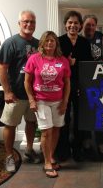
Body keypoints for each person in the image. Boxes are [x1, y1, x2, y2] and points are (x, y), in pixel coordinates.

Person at [0, 10, 40, 172]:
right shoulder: (11, 43)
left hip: (33, 95)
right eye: (26, 21)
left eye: (32, 22)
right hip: (15, 95)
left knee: (31, 123)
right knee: (10, 125)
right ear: (19, 23)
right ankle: (9, 156)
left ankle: (29, 149)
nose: (29, 25)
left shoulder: (38, 44)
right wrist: (7, 91)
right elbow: (1, 68)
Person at [24, 31, 71, 178]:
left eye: (52, 41)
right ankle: (47, 163)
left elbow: (67, 83)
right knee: (46, 132)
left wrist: (65, 101)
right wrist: (31, 99)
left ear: (56, 43)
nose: (50, 43)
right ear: (42, 43)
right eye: (47, 41)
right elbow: (27, 81)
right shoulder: (34, 59)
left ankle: (50, 156)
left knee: (56, 129)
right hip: (41, 101)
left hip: (58, 102)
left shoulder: (62, 60)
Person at [56, 10, 93, 162]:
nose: (73, 25)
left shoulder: (85, 42)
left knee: (79, 118)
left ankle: (77, 149)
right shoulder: (58, 41)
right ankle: (63, 149)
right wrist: (68, 63)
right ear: (65, 25)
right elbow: (54, 63)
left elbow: (88, 65)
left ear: (80, 26)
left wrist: (82, 85)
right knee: (64, 118)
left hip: (79, 86)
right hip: (62, 86)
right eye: (70, 22)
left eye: (76, 23)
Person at [81, 14, 103, 157]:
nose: (90, 27)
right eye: (87, 25)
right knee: (86, 112)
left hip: (99, 81)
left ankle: (101, 142)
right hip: (84, 81)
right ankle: (86, 142)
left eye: (93, 25)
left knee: (99, 112)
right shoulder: (79, 40)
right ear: (82, 26)